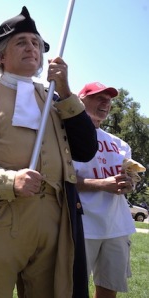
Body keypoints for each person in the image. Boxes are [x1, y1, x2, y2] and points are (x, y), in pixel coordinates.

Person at [0, 6, 98, 298]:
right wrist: (8, 181)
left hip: (54, 226)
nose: (32, 48)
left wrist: (66, 92)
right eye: (22, 42)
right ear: (2, 56)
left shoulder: (56, 100)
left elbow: (87, 149)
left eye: (36, 43)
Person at [74, 82, 136, 298]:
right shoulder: (68, 137)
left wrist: (129, 184)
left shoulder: (120, 144)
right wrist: (101, 184)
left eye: (109, 99)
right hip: (82, 226)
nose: (106, 103)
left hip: (117, 226)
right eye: (99, 97)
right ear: (81, 99)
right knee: (73, 289)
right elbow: (61, 179)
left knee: (109, 289)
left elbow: (129, 179)